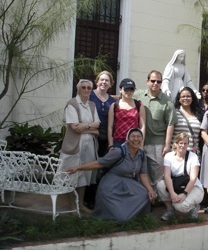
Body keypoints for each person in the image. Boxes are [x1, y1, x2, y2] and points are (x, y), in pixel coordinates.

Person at [66, 128, 157, 222]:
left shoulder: (142, 155)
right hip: (112, 184)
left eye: (139, 137)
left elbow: (143, 175)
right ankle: (121, 217)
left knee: (145, 194)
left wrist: (150, 190)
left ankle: (136, 217)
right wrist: (78, 168)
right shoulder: (119, 151)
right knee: (121, 217)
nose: (136, 139)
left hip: (129, 183)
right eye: (133, 136)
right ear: (127, 139)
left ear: (142, 139)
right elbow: (98, 163)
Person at [59, 79, 100, 213]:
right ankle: (71, 205)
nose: (86, 90)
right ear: (78, 89)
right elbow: (74, 127)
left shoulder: (92, 105)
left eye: (89, 88)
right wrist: (91, 129)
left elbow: (97, 124)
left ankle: (80, 205)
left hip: (89, 145)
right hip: (74, 144)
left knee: (85, 174)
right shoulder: (72, 104)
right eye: (84, 87)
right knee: (71, 173)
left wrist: (86, 127)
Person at [135, 70, 178, 187]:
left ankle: (156, 200)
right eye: (152, 81)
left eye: (158, 81)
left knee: (157, 176)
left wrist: (167, 145)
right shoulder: (138, 96)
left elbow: (170, 123)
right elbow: (124, 98)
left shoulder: (167, 101)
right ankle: (143, 199)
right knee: (140, 172)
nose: (155, 83)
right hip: (138, 142)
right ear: (147, 81)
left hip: (157, 144)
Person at [85, 71, 116, 209]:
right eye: (101, 80)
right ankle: (85, 197)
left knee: (101, 168)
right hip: (91, 135)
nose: (104, 82)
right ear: (97, 82)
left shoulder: (111, 100)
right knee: (89, 167)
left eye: (107, 81)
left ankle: (96, 198)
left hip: (106, 137)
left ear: (111, 84)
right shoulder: (90, 95)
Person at [157, 133, 204, 221]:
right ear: (175, 143)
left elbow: (193, 178)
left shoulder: (193, 157)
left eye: (185, 143)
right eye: (180, 143)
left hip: (193, 187)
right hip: (177, 185)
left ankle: (194, 207)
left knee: (180, 207)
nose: (182, 145)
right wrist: (172, 193)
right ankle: (170, 210)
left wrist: (184, 194)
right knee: (160, 184)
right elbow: (167, 176)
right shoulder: (168, 156)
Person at [108, 78, 146, 149]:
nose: (129, 91)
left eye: (131, 89)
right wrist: (110, 145)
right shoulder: (114, 105)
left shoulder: (139, 105)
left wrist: (141, 144)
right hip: (118, 142)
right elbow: (110, 127)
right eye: (126, 89)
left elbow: (142, 126)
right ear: (120, 90)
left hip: (134, 142)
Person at [172, 87, 202, 155]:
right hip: (176, 153)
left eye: (188, 96)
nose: (185, 98)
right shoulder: (174, 113)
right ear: (179, 99)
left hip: (193, 154)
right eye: (183, 96)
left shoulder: (199, 114)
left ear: (192, 98)